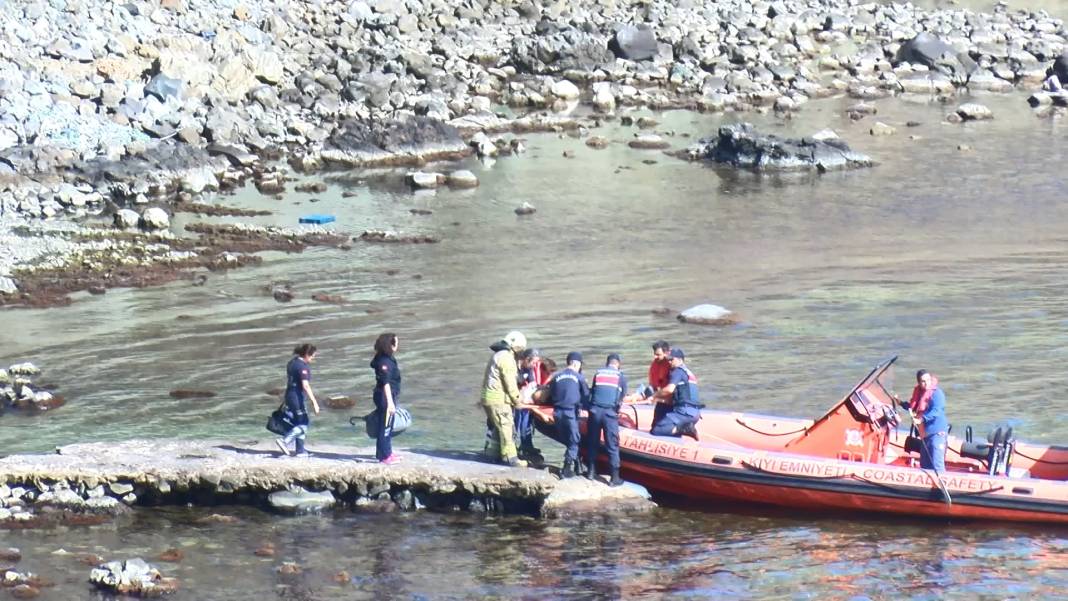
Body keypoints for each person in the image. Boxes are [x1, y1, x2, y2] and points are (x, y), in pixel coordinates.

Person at [481, 331, 528, 467]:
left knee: (498, 427)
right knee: (506, 427)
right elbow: (510, 383)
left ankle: (492, 454)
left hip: (488, 398)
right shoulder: (507, 358)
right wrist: (517, 399)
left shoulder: (497, 355)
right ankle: (510, 458)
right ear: (516, 346)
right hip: (498, 400)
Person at [546, 351, 589, 478]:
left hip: (557, 413)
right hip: (570, 413)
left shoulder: (556, 376)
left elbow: (551, 394)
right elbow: (586, 396)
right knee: (574, 441)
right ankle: (566, 469)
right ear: (576, 364)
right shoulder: (579, 377)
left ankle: (577, 465)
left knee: (567, 440)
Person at [585, 353, 627, 486]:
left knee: (592, 442)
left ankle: (591, 472)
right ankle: (614, 478)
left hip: (595, 412)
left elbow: (593, 392)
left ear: (607, 363)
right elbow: (621, 396)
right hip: (609, 414)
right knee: (612, 445)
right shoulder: (620, 376)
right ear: (618, 364)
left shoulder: (598, 373)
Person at [276, 343, 320, 458]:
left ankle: (300, 450)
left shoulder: (292, 363)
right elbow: (305, 385)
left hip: (289, 395)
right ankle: (284, 441)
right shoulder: (303, 367)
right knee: (304, 423)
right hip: (297, 398)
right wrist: (314, 402)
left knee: (298, 422)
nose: (313, 358)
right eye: (312, 356)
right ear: (306, 354)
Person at [902, 369, 949, 474]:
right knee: (925, 464)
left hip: (937, 433)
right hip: (925, 434)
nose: (926, 383)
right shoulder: (919, 393)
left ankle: (941, 479)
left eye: (928, 380)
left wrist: (921, 419)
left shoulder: (937, 394)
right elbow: (913, 407)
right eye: (923, 381)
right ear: (919, 383)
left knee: (937, 464)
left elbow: (936, 411)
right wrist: (900, 403)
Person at [650, 348, 701, 438]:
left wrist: (654, 395)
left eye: (671, 359)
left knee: (657, 429)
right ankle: (681, 429)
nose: (669, 362)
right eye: (668, 360)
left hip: (684, 412)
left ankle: (685, 429)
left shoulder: (677, 371)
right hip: (695, 413)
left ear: (680, 360)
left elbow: (669, 389)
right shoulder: (688, 373)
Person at [370, 333, 402, 464]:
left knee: (387, 425)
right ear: (390, 345)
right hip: (385, 396)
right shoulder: (384, 362)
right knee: (385, 426)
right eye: (396, 342)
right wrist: (390, 403)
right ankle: (384, 456)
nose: (398, 345)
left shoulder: (386, 358)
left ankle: (386, 452)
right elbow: (385, 383)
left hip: (386, 395)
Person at [515, 348, 551, 460]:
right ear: (526, 359)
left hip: (524, 400)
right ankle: (513, 447)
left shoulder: (529, 368)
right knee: (516, 423)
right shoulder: (515, 368)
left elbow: (532, 383)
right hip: (514, 400)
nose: (535, 365)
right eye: (534, 362)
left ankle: (527, 445)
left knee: (527, 421)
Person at [646, 340, 673, 428]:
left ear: (666, 353)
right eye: (654, 354)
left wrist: (658, 398)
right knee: (654, 427)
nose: (655, 357)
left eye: (658, 354)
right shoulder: (654, 364)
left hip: (673, 402)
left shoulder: (671, 365)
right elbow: (653, 384)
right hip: (661, 399)